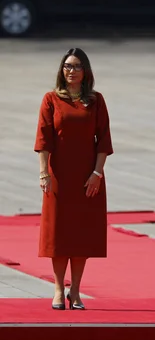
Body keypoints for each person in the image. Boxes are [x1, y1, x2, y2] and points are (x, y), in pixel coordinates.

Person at [34, 47, 113, 311]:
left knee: (81, 235)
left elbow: (103, 141)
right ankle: (58, 289)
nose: (71, 71)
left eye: (77, 66)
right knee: (58, 235)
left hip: (87, 177)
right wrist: (44, 173)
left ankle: (76, 291)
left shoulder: (96, 100)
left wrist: (97, 174)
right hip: (59, 176)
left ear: (86, 71)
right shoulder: (51, 99)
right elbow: (43, 139)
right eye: (67, 66)